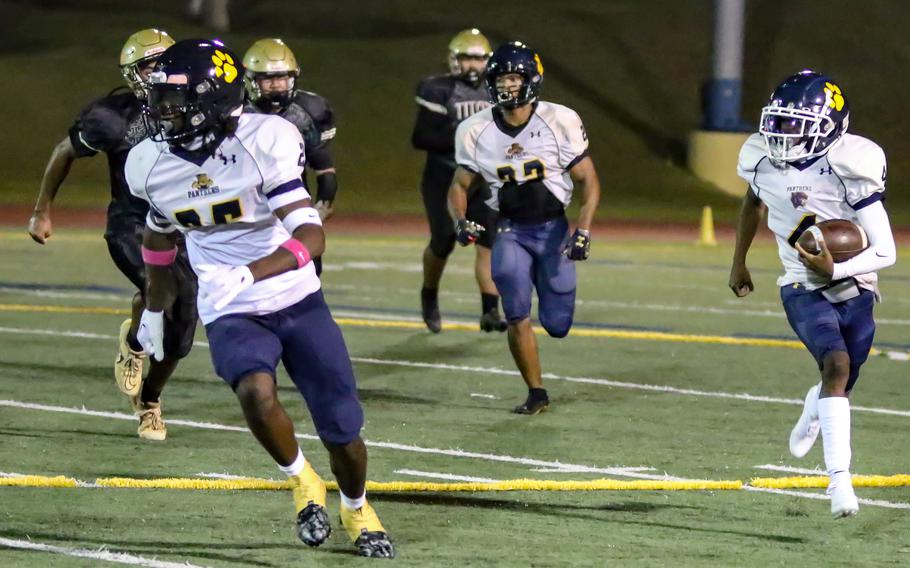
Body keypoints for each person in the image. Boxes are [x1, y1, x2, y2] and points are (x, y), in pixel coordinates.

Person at [126, 39, 393, 558]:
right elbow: (158, 237)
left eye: (175, 100)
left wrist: (248, 274)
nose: (162, 111)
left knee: (342, 430)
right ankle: (301, 481)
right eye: (160, 98)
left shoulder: (266, 138)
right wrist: (155, 307)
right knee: (254, 391)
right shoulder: (149, 162)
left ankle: (357, 505)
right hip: (230, 306)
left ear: (214, 100)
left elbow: (311, 238)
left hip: (294, 295)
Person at [729, 70, 896, 518]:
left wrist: (837, 266)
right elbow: (753, 202)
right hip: (801, 284)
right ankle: (839, 481)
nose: (782, 135)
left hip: (856, 283)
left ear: (828, 127)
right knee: (836, 366)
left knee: (842, 380)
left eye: (794, 125)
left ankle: (812, 410)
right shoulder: (761, 158)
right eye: (778, 122)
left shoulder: (850, 164)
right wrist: (738, 259)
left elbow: (887, 251)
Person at [26, 28, 196, 441]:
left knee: (182, 332)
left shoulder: (194, 105)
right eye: (149, 65)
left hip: (182, 224)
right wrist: (41, 210)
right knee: (166, 294)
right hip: (132, 225)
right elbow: (64, 150)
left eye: (164, 62)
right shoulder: (113, 115)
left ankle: (146, 377)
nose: (159, 71)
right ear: (133, 73)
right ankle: (149, 408)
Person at [448, 42, 601, 414]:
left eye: (515, 78)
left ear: (532, 80)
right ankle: (536, 392)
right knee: (515, 310)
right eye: (501, 79)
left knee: (558, 323)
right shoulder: (475, 130)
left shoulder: (559, 120)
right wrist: (459, 220)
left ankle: (543, 358)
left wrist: (583, 229)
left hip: (553, 231)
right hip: (510, 230)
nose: (507, 87)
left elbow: (589, 181)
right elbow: (459, 185)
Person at [412, 29, 507, 333]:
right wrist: (465, 138)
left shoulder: (497, 91)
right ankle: (429, 293)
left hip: (482, 178)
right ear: (454, 60)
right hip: (443, 176)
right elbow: (421, 136)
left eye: (478, 59)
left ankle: (490, 311)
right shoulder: (438, 89)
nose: (472, 65)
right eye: (466, 58)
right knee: (443, 241)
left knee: (488, 240)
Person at [242, 38, 337, 276]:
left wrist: (323, 203)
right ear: (250, 79)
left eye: (282, 78)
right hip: (243, 201)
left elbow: (323, 165)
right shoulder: (232, 109)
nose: (276, 86)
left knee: (308, 269)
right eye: (268, 79)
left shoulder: (308, 110)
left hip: (289, 197)